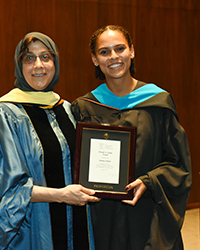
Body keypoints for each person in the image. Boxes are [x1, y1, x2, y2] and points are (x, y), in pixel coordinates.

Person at [0, 32, 100, 250]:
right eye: (29, 58)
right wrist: (61, 196)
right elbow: (4, 187)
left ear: (55, 63)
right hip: (29, 232)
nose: (38, 65)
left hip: (76, 225)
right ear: (19, 65)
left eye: (46, 57)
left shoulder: (67, 110)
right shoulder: (2, 115)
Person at [71, 25, 192, 250]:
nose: (114, 57)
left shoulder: (158, 102)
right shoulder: (84, 107)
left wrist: (149, 181)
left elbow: (178, 163)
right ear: (95, 59)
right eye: (104, 52)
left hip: (147, 211)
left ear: (132, 51)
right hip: (102, 215)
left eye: (120, 49)